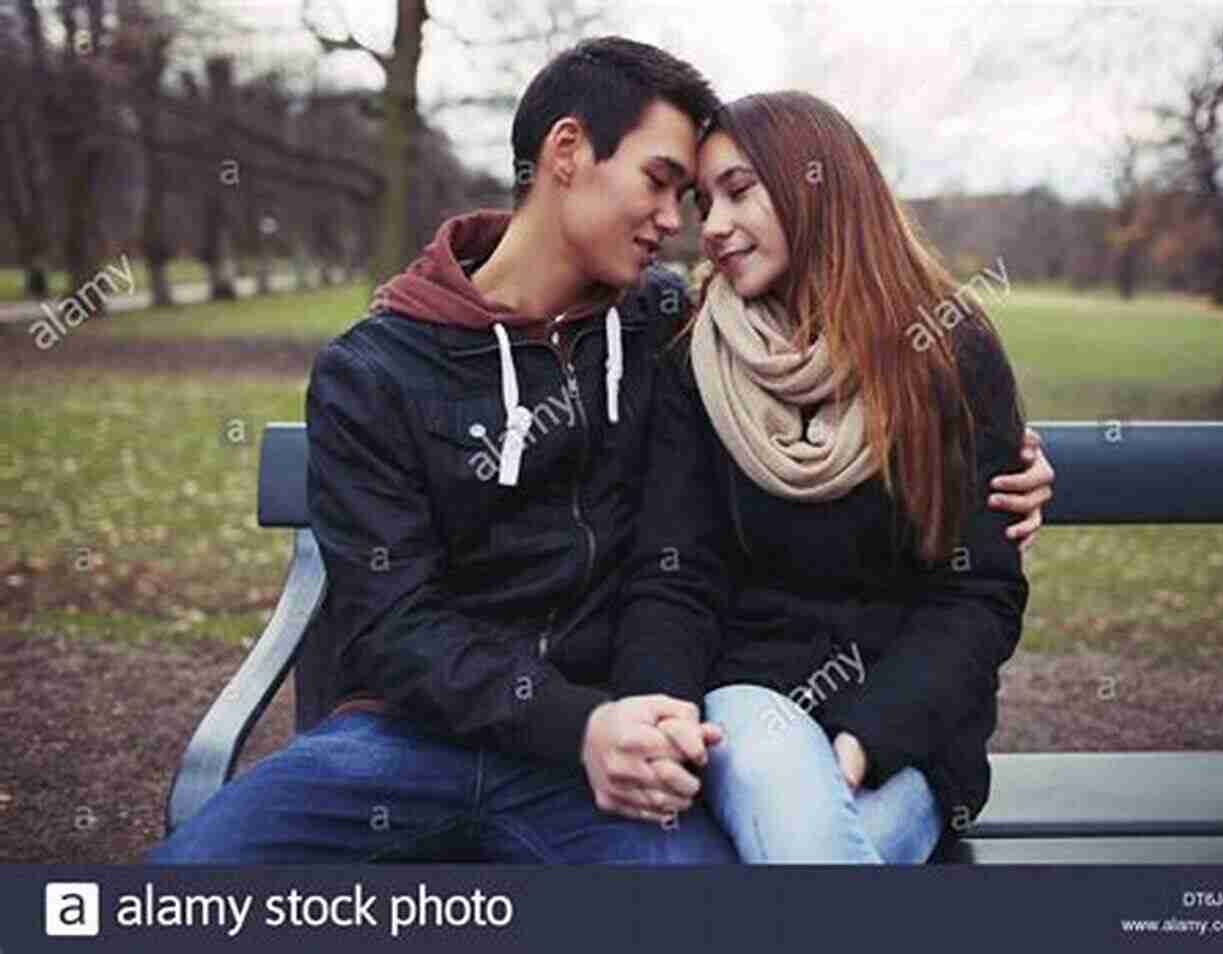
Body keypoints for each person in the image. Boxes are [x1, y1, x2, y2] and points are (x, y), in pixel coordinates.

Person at [146, 39, 1052, 865]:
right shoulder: (374, 370)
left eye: (692, 195)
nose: (680, 221)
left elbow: (809, 410)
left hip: (606, 765)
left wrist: (1002, 460)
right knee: (184, 884)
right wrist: (582, 725)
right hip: (408, 746)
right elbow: (391, 627)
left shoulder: (669, 328)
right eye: (662, 183)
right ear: (568, 153)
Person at [612, 90, 1047, 863]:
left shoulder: (949, 353)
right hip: (752, 712)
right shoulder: (695, 355)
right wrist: (663, 714)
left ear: (818, 186)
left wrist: (860, 744)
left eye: (739, 192)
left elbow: (975, 595)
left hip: (905, 736)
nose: (710, 228)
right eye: (702, 201)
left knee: (824, 850)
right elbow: (676, 574)